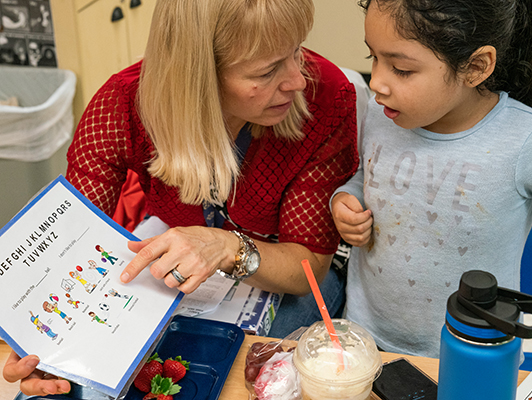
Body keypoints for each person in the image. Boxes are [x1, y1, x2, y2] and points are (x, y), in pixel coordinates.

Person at [2, 0, 359, 395]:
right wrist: (45, 344)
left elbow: (306, 267)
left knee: (254, 382)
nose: (298, 80)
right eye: (267, 70)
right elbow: (71, 244)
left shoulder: (328, 98)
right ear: (201, 74)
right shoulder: (121, 104)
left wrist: (227, 247)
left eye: (297, 50)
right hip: (175, 249)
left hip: (282, 267)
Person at [331, 0, 532, 386]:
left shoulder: (529, 142)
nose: (376, 82)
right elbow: (367, 174)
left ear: (475, 67)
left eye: (401, 69)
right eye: (372, 57)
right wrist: (346, 198)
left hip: (472, 360)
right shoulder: (383, 112)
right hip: (365, 346)